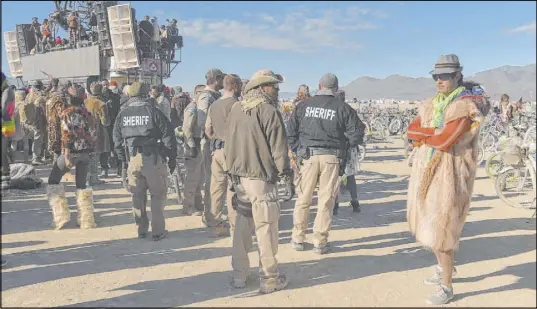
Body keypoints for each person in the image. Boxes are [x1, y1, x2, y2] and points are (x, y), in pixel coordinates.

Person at [406, 54, 490, 305]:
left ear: (457, 76)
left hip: (450, 175)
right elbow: (411, 130)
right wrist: (430, 134)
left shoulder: (464, 106)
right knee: (431, 224)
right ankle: (444, 271)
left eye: (444, 76)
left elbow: (446, 139)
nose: (439, 80)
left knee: (444, 231)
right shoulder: (433, 103)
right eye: (436, 76)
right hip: (430, 172)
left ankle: (447, 286)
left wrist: (426, 135)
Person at [225, 69, 291, 293]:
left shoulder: (236, 109)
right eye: (274, 86)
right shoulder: (268, 110)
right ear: (262, 88)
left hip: (239, 179)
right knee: (266, 228)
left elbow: (228, 144)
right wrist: (286, 175)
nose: (278, 90)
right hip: (261, 179)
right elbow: (279, 149)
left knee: (243, 227)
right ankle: (270, 278)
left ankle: (239, 276)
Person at [287, 73, 364, 254]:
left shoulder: (303, 106)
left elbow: (290, 132)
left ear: (319, 86)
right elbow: (357, 133)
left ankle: (297, 238)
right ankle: (320, 242)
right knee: (325, 201)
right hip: (332, 158)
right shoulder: (343, 108)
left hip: (308, 158)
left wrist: (299, 150)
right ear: (336, 88)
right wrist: (344, 147)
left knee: (303, 199)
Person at [113, 82, 177, 241]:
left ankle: (141, 230)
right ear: (146, 94)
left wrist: (123, 161)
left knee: (137, 195)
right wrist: (171, 158)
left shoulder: (122, 113)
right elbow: (168, 136)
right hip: (153, 158)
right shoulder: (153, 111)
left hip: (132, 158)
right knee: (157, 195)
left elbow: (116, 139)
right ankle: (157, 231)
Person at [46, 84, 97, 230]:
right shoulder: (87, 113)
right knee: (82, 186)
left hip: (71, 153)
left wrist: (67, 155)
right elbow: (93, 135)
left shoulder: (67, 113)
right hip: (85, 154)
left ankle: (60, 217)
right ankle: (86, 220)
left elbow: (67, 134)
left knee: (53, 180)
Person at [204, 74, 242, 237]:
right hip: (233, 151)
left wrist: (216, 141)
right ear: (235, 86)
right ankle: (234, 227)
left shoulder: (214, 105)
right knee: (234, 189)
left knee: (216, 189)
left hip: (217, 151)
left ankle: (214, 223)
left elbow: (207, 130)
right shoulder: (238, 105)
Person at [196, 69, 225, 225]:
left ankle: (213, 212)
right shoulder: (206, 97)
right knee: (211, 180)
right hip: (209, 143)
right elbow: (203, 122)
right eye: (221, 79)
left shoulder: (215, 96)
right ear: (216, 79)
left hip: (215, 142)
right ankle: (209, 215)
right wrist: (214, 140)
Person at [333, 89, 362, 215]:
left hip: (336, 148)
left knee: (334, 177)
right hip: (349, 149)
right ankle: (355, 202)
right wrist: (353, 142)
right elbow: (359, 128)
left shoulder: (333, 111)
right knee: (350, 176)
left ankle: (335, 205)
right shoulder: (350, 110)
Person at [181, 84, 206, 215]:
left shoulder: (201, 107)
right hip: (193, 145)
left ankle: (197, 202)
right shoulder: (192, 108)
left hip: (200, 144)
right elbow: (186, 128)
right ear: (196, 93)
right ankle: (188, 206)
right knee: (191, 178)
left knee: (199, 178)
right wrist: (191, 146)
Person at [85, 82, 110, 185]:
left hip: (87, 132)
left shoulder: (85, 102)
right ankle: (95, 177)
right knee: (99, 154)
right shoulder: (101, 104)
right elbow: (105, 121)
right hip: (99, 132)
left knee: (88, 155)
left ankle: (88, 177)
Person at [22, 81, 47, 165]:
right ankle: (35, 158)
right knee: (37, 140)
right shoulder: (38, 96)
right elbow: (42, 110)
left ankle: (37, 157)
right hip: (37, 122)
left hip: (30, 122)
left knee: (35, 140)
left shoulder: (29, 95)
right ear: (40, 87)